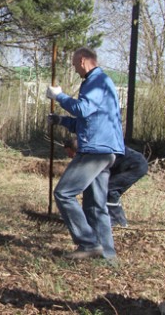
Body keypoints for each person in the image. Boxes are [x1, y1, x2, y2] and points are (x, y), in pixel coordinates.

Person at [45, 46, 124, 262]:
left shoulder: (97, 81)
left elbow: (83, 109)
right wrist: (60, 120)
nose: (74, 68)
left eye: (74, 64)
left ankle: (88, 243)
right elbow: (86, 120)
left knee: (64, 193)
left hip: (95, 150)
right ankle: (108, 257)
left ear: (82, 60)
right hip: (104, 149)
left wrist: (59, 95)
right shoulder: (96, 82)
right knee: (95, 206)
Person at [61, 137, 148, 227]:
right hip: (126, 166)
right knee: (108, 189)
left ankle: (116, 222)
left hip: (135, 166)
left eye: (69, 152)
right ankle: (118, 221)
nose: (69, 156)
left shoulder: (94, 152)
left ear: (76, 150)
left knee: (109, 190)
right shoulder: (91, 150)